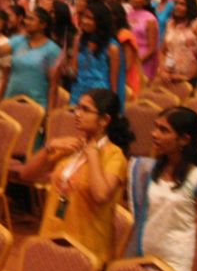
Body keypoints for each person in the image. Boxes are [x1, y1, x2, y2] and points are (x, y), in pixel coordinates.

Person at [18, 88, 132, 262]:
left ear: (104, 120)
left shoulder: (114, 156)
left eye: (85, 110)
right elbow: (26, 174)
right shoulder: (71, 146)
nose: (77, 114)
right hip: (52, 235)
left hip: (87, 249)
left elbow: (101, 195)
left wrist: (93, 156)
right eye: (78, 108)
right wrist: (49, 147)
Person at [127, 107, 197, 271]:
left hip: (178, 264)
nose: (154, 134)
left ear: (184, 139)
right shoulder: (148, 170)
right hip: (145, 255)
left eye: (164, 130)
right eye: (155, 127)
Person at [0, 7, 61, 111]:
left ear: (43, 25)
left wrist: (50, 112)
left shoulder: (53, 49)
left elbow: (53, 85)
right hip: (11, 99)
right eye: (26, 18)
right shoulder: (19, 40)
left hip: (35, 105)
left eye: (31, 19)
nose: (26, 22)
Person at [70, 1, 123, 108]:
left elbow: (114, 84)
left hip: (99, 97)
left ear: (100, 21)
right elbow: (74, 72)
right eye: (84, 16)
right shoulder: (79, 39)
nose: (84, 21)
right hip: (78, 92)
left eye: (90, 18)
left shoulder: (112, 47)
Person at [159, 0, 197, 83]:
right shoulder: (170, 24)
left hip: (190, 76)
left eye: (182, 4)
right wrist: (163, 70)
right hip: (169, 74)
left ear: (190, 7)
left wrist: (189, 76)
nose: (177, 7)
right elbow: (163, 51)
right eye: (177, 4)